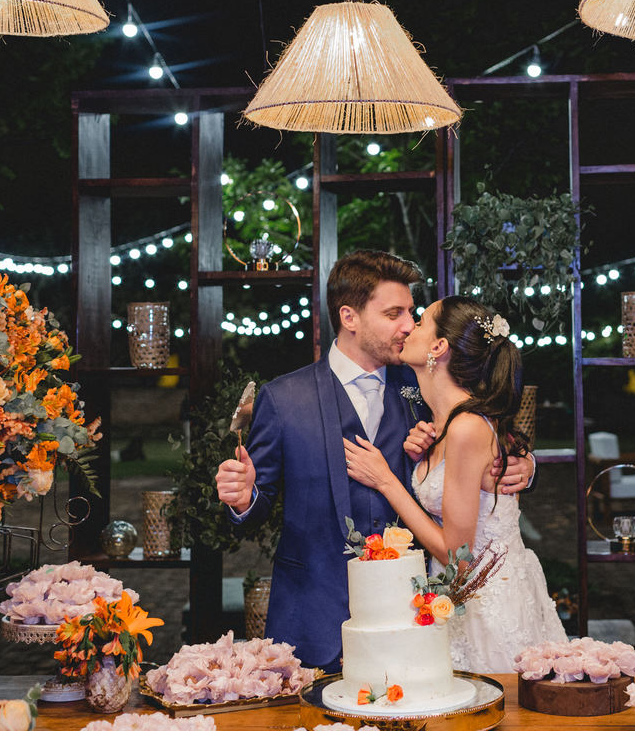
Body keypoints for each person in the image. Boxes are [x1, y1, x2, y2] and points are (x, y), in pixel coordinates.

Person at [215, 250, 533, 671]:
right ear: (349, 317)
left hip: (414, 616)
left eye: (412, 313)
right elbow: (257, 505)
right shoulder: (284, 398)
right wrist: (243, 498)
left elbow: (486, 434)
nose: (408, 325)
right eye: (394, 313)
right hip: (314, 615)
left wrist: (523, 466)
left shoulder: (425, 383)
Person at [343, 295, 566, 672]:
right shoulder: (443, 423)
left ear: (439, 347)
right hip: (455, 598)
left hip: (486, 607)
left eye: (421, 321)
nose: (409, 327)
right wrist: (421, 459)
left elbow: (456, 555)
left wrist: (386, 481)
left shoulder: (465, 428)